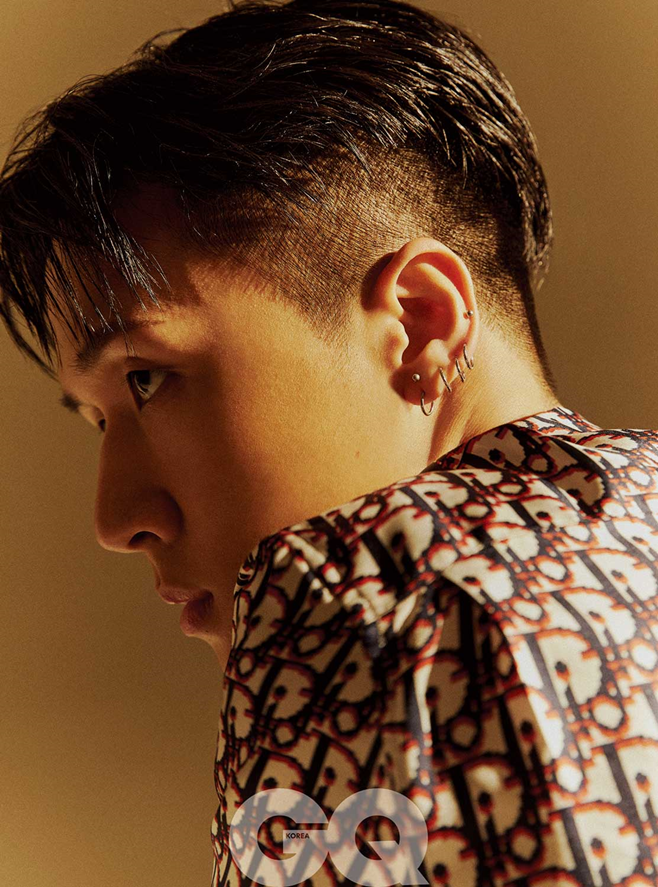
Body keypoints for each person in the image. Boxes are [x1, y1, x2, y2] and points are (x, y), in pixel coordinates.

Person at [1, 0, 657, 884]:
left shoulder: (351, 592)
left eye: (147, 378)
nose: (114, 518)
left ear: (419, 323)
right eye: (99, 419)